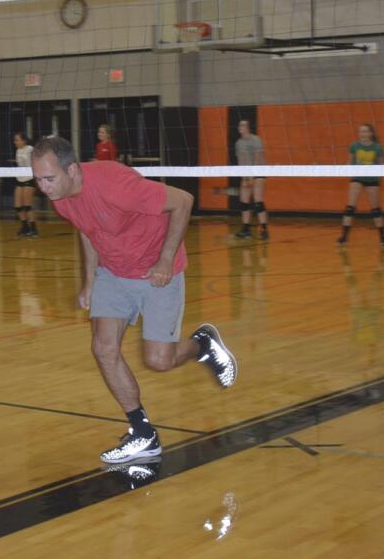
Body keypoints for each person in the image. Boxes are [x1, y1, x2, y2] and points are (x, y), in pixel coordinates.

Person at [30, 135, 238, 464]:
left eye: (49, 178)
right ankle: (142, 433)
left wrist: (166, 259)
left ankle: (204, 346)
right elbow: (88, 229)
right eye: (38, 179)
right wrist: (90, 281)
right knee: (103, 347)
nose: (43, 187)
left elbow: (183, 200)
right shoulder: (62, 196)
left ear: (72, 169)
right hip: (114, 273)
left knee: (159, 360)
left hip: (156, 272)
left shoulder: (114, 185)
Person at [338, 124, 384, 246]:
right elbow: (349, 162)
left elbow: (382, 165)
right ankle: (344, 236)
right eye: (361, 132)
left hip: (372, 180)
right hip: (357, 178)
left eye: (365, 132)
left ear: (371, 133)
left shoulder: (377, 147)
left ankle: (382, 236)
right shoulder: (354, 146)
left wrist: (379, 177)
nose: (362, 134)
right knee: (350, 207)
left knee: (376, 209)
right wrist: (347, 171)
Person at [233, 119, 268, 241]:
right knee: (244, 201)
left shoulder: (255, 140)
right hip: (247, 173)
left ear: (248, 128)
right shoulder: (238, 143)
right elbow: (241, 160)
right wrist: (244, 177)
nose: (240, 127)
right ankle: (246, 229)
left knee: (258, 201)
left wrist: (252, 177)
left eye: (243, 125)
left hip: (259, 171)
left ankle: (264, 229)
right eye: (239, 125)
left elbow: (258, 159)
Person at [12, 132, 39, 238]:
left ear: (24, 141)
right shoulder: (18, 150)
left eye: (17, 140)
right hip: (19, 179)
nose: (15, 142)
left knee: (27, 206)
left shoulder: (30, 149)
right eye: (15, 140)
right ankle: (25, 227)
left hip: (29, 179)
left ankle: (34, 229)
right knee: (18, 206)